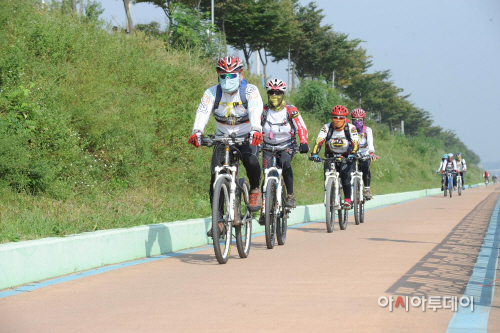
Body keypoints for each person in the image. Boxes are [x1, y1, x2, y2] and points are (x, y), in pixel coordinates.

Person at [188, 56, 264, 236]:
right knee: (215, 177)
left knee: (251, 161)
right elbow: (203, 111)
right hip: (222, 139)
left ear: (241, 74)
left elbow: (255, 109)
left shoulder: (250, 91)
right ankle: (219, 220)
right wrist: (197, 131)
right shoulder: (211, 93)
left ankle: (254, 189)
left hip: (246, 137)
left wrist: (256, 129)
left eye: (232, 76)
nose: (227, 80)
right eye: (223, 76)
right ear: (218, 76)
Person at [258, 79, 309, 224]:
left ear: (283, 94)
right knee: (266, 174)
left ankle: (290, 196)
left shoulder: (291, 110)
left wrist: (303, 142)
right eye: (271, 92)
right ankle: (264, 210)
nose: (275, 95)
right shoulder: (263, 111)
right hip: (267, 146)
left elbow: (301, 127)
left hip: (287, 145)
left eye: (278, 92)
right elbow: (255, 126)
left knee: (285, 163)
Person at [310, 105, 359, 209]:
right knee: (327, 176)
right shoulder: (326, 127)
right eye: (335, 117)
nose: (338, 120)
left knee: (345, 176)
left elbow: (355, 141)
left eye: (341, 118)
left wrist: (352, 154)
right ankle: (329, 196)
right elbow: (319, 140)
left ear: (345, 118)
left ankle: (347, 200)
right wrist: (314, 154)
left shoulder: (351, 128)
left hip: (346, 156)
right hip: (330, 155)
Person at [350, 108, 377, 199]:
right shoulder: (349, 129)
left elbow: (370, 142)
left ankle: (367, 189)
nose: (357, 122)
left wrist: (371, 153)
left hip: (365, 153)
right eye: (354, 120)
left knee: (365, 166)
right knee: (349, 168)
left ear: (364, 120)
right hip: (353, 152)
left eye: (360, 120)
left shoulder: (367, 130)